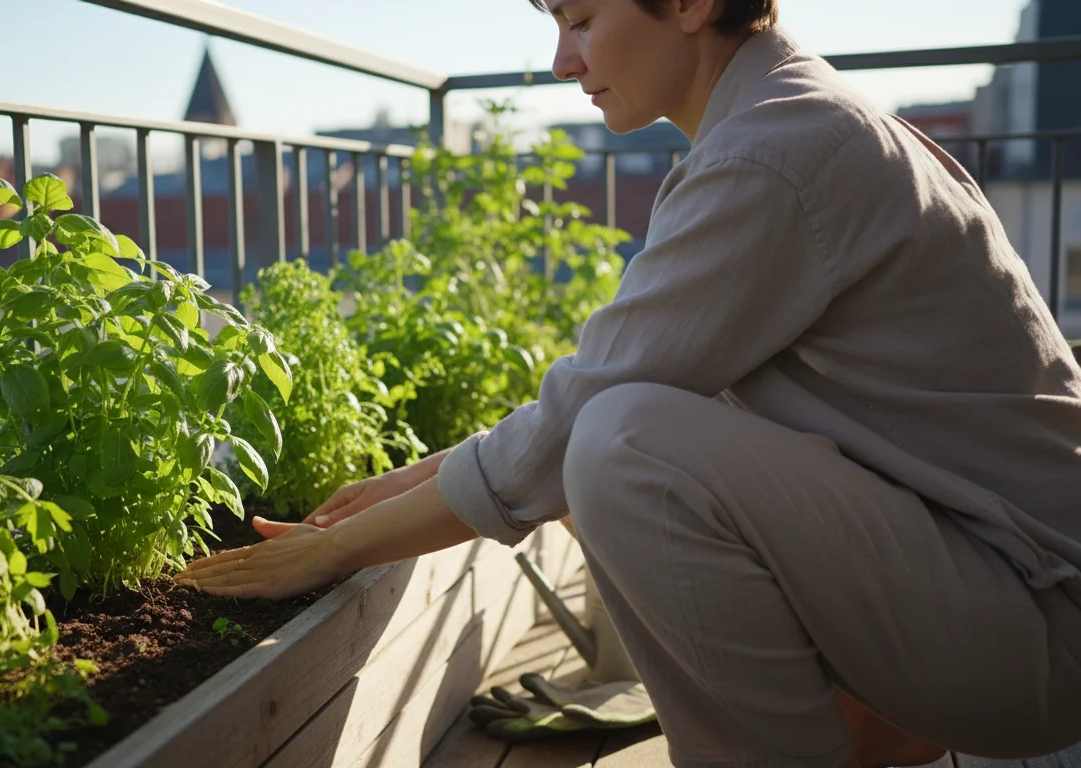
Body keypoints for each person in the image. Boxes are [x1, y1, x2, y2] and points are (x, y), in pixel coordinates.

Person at [176, 0, 1081, 765]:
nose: (563, 61)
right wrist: (394, 488)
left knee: (624, 446)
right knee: (621, 429)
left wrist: (338, 551)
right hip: (1000, 591)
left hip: (1036, 621)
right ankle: (859, 724)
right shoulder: (786, 122)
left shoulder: (773, 152)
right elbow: (596, 390)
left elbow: (580, 427)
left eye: (581, 18)